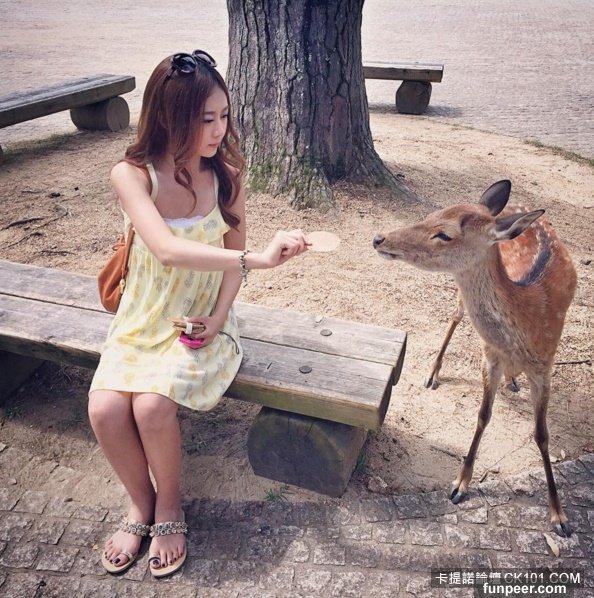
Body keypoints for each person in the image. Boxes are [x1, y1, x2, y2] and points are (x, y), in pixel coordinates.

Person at [88, 50, 308, 578]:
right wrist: (257, 260)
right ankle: (139, 502)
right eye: (205, 118)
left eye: (224, 115)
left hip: (204, 319)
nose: (218, 130)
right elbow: (166, 250)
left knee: (151, 407)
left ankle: (169, 506)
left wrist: (219, 316)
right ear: (169, 117)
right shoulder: (132, 175)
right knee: (105, 409)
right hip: (143, 317)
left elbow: (232, 263)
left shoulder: (227, 175)